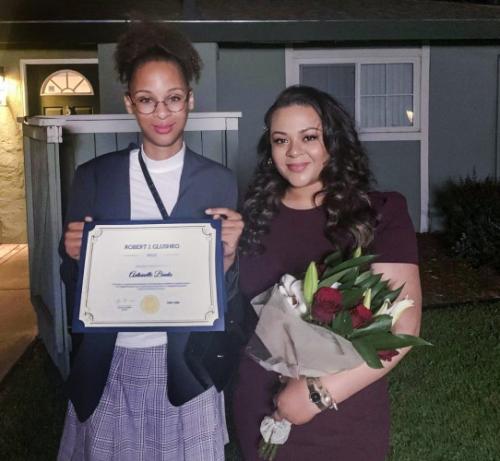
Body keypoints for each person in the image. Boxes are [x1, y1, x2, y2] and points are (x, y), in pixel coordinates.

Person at [57, 21, 244, 461]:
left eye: (173, 99)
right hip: (112, 362)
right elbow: (74, 289)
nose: (162, 113)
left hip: (187, 365)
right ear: (129, 103)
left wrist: (230, 257)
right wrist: (73, 259)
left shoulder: (218, 181)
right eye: (147, 100)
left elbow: (225, 299)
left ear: (189, 100)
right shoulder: (93, 178)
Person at [233, 85, 422, 460]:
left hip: (343, 411)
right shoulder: (249, 218)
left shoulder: (380, 213)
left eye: (309, 137)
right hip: (257, 403)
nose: (294, 151)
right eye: (280, 140)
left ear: (333, 142)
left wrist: (318, 394)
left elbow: (403, 328)